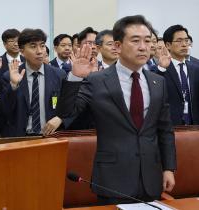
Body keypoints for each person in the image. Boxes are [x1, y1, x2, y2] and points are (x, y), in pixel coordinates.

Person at [50, 15, 176, 204]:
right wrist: (75, 78)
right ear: (118, 46)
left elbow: (165, 129)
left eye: (148, 41)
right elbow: (67, 112)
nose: (143, 47)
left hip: (151, 176)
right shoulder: (97, 80)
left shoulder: (158, 82)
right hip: (113, 178)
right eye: (135, 41)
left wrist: (168, 168)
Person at [0, 28, 66, 137]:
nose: (39, 51)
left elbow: (67, 106)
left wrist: (60, 118)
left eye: (42, 45)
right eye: (33, 46)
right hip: (21, 138)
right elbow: (5, 111)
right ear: (22, 51)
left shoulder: (59, 75)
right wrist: (13, 86)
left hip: (51, 136)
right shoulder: (9, 76)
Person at [157, 25, 199, 125]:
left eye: (186, 40)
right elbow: (156, 92)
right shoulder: (161, 69)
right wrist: (162, 69)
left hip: (194, 126)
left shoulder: (195, 69)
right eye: (179, 41)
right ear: (168, 45)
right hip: (170, 126)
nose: (184, 44)